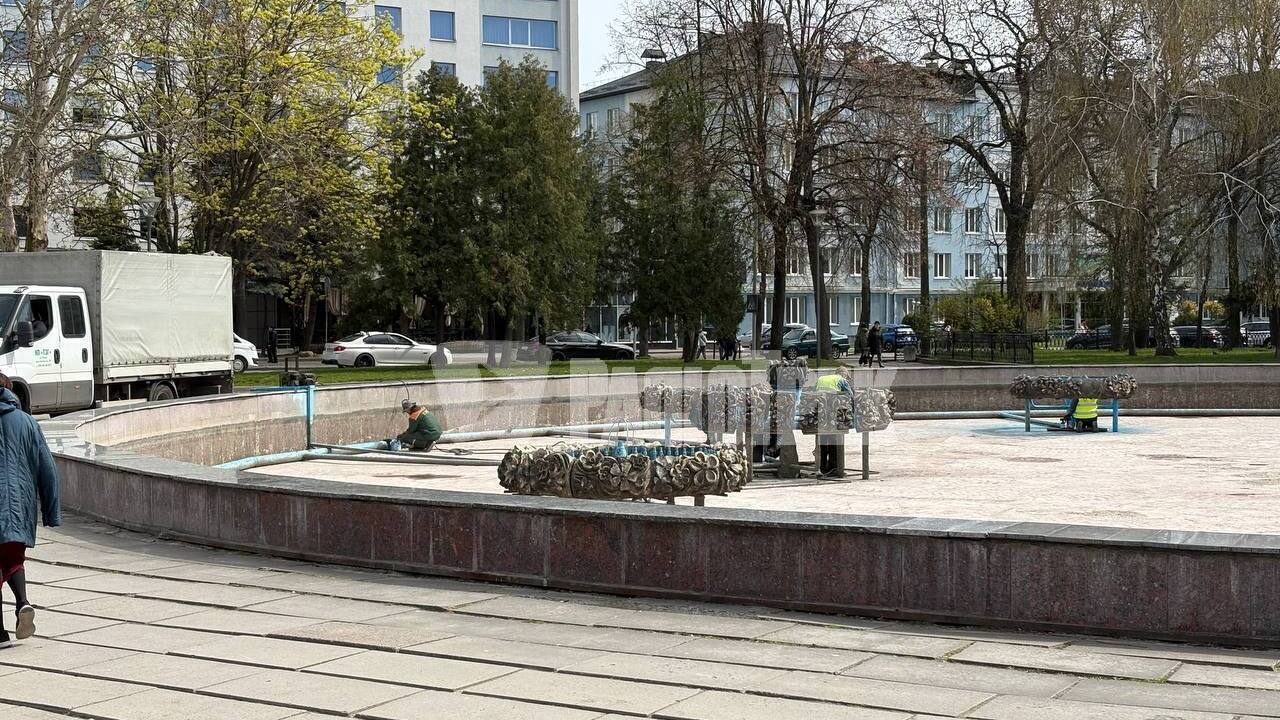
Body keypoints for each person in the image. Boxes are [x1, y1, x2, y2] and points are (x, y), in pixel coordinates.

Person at [0, 373, 60, 648]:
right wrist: (51, 511)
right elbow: (48, 470)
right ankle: (22, 602)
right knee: (13, 558)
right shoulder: (27, 422)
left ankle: (0, 634)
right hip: (20, 506)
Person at [813, 367, 854, 477]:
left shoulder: (821, 379)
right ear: (844, 375)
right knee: (833, 440)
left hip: (820, 413)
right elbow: (850, 395)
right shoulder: (841, 380)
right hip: (832, 412)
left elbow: (813, 394)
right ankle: (834, 467)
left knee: (823, 440)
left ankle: (822, 467)